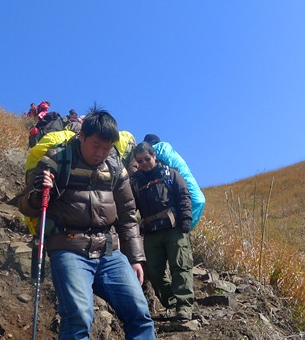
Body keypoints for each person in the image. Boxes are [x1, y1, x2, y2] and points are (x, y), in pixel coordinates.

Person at [18, 108, 156, 340]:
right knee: (79, 316)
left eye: (107, 147)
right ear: (81, 136)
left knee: (140, 313)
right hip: (69, 247)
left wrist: (135, 258)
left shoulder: (115, 167)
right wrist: (38, 192)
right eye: (96, 145)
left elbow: (128, 213)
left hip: (109, 249)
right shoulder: (55, 159)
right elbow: (27, 206)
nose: (101, 153)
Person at [130, 141, 194, 321]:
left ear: (154, 156)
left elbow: (184, 196)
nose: (144, 163)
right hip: (151, 232)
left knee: (180, 266)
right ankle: (171, 303)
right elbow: (130, 207)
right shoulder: (135, 183)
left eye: (147, 159)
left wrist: (185, 222)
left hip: (174, 229)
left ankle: (184, 307)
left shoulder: (171, 174)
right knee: (153, 271)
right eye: (140, 160)